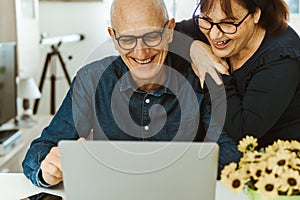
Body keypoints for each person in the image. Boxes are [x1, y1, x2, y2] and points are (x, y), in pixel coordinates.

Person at [22, 0, 241, 187]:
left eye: (152, 36)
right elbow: (39, 151)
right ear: (113, 37)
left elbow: (231, 151)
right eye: (127, 40)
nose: (141, 52)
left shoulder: (199, 79)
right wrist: (46, 169)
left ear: (169, 31)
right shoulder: (91, 80)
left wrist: (159, 171)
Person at [173, 0, 300, 148]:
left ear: (256, 15)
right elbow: (164, 33)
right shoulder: (212, 23)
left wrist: (210, 69)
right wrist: (193, 48)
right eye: (206, 19)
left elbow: (243, 132)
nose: (214, 35)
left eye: (228, 23)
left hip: (271, 162)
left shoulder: (282, 58)